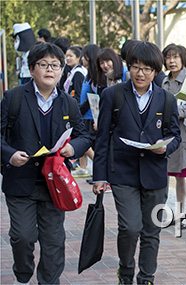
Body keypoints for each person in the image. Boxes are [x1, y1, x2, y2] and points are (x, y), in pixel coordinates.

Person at [1, 42, 91, 284]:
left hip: (55, 184)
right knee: (22, 236)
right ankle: (23, 269)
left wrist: (74, 148)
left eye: (55, 65)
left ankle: (49, 281)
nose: (49, 70)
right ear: (32, 69)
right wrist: (9, 154)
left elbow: (83, 135)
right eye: (43, 65)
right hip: (20, 181)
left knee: (53, 241)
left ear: (62, 70)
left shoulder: (68, 103)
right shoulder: (14, 98)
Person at [93, 41, 181, 285]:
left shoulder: (166, 99)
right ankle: (126, 269)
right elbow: (102, 138)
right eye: (135, 67)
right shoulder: (113, 95)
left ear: (155, 71)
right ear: (128, 67)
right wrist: (99, 176)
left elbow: (176, 134)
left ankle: (146, 277)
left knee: (151, 231)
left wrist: (165, 147)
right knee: (130, 227)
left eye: (147, 69)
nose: (140, 73)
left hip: (155, 173)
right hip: (122, 172)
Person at [161, 44, 186, 227]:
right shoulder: (164, 81)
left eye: (175, 57)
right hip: (171, 135)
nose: (171, 61)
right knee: (177, 175)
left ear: (183, 59)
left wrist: (176, 112)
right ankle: (179, 211)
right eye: (168, 57)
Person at [73, 44, 102, 180]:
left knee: (85, 144)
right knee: (83, 143)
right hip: (86, 115)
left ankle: (100, 170)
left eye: (84, 56)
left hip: (90, 116)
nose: (82, 59)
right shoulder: (89, 74)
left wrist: (79, 112)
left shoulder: (96, 76)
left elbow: (93, 99)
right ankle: (87, 169)